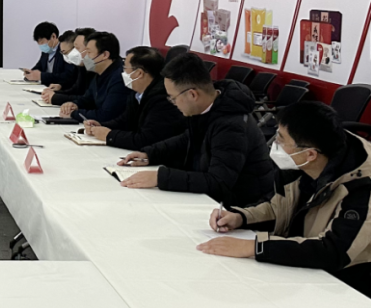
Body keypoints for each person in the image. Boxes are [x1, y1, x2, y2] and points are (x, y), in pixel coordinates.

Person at [199, 102, 371, 308]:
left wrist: (254, 247)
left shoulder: (365, 190)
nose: (275, 143)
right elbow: (278, 207)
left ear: (310, 154)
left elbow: (332, 252)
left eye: (282, 139)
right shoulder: (303, 169)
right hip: (319, 271)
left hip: (367, 286)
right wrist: (240, 217)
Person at [118, 53, 274, 206]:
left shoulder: (232, 126)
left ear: (192, 94)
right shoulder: (209, 106)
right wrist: (150, 154)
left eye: (173, 98)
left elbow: (218, 182)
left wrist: (160, 177)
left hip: (241, 208)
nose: (172, 103)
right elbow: (187, 138)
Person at [81, 46, 184, 149]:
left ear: (139, 73)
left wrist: (109, 136)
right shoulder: (137, 93)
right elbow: (124, 121)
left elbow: (146, 139)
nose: (123, 72)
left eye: (125, 68)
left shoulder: (162, 98)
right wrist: (101, 125)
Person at [56, 31, 129, 123]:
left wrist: (74, 114)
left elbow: (106, 115)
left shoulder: (120, 77)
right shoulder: (99, 72)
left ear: (105, 55)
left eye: (89, 52)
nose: (84, 56)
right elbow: (88, 99)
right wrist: (74, 105)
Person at [43, 28, 95, 104]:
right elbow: (77, 89)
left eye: (77, 48)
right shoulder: (82, 66)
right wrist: (56, 93)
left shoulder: (96, 69)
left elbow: (88, 100)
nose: (75, 52)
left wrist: (56, 98)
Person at [21, 22, 74, 86]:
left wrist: (42, 76)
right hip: (46, 87)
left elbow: (67, 76)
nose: (41, 45)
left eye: (42, 42)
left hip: (60, 88)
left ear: (53, 36)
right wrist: (30, 73)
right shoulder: (45, 52)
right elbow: (39, 67)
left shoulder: (65, 50)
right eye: (38, 43)